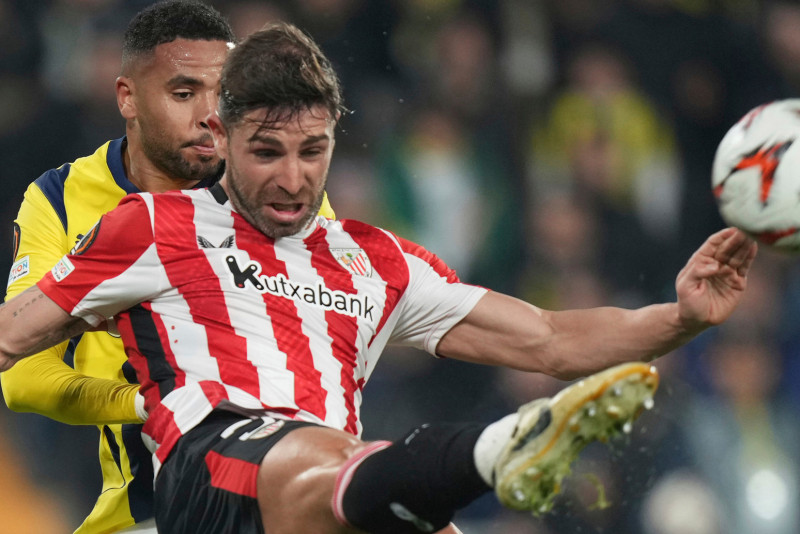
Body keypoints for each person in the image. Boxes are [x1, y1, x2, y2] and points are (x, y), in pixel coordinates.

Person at [0, 22, 756, 534]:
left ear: (335, 139)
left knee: (398, 502)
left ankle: (483, 459)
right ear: (221, 136)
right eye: (266, 152)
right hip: (213, 475)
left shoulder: (377, 262)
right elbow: (11, 338)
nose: (293, 179)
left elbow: (552, 339)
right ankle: (493, 452)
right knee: (328, 460)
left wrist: (681, 316)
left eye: (312, 151)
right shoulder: (150, 226)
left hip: (339, 489)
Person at [1, 2, 330, 533]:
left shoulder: (275, 189)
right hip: (141, 509)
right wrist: (145, 404)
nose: (211, 116)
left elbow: (329, 333)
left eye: (223, 93)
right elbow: (22, 377)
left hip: (279, 497)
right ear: (127, 98)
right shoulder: (59, 200)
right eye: (184, 94)